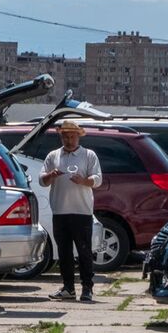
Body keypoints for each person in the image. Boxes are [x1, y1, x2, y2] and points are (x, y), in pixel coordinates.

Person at [39, 120, 103, 302]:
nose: (69, 140)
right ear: (61, 137)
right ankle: (68, 288)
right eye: (66, 136)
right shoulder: (53, 156)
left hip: (82, 211)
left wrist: (84, 181)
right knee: (64, 251)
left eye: (72, 136)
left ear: (78, 136)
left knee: (84, 251)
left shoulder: (88, 155)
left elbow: (97, 179)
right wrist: (51, 175)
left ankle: (87, 289)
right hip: (60, 210)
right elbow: (41, 180)